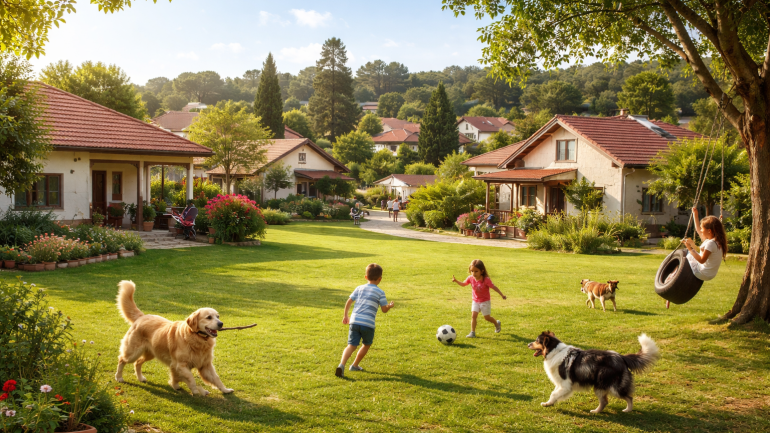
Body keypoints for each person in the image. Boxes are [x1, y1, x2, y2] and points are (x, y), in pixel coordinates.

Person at [337, 264, 394, 378]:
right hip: (368, 324)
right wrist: (389, 306)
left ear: (365, 277)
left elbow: (349, 301)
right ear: (380, 279)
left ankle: (341, 365)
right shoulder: (380, 292)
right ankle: (355, 365)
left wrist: (346, 316)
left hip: (354, 321)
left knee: (351, 346)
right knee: (366, 344)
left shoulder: (359, 288)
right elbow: (384, 310)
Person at [666, 207, 727, 308]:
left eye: (703, 229)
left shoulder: (711, 244)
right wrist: (695, 214)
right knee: (685, 258)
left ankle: (669, 285)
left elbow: (702, 260)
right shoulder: (716, 240)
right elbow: (698, 229)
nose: (701, 231)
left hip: (703, 272)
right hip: (709, 273)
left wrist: (690, 247)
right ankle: (671, 287)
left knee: (683, 257)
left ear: (710, 231)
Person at [451, 259, 507, 338]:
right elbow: (464, 284)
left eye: (476, 271)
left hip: (485, 301)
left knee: (487, 318)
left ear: (482, 271)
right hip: (475, 301)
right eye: (472, 271)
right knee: (473, 316)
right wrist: (456, 281)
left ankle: (496, 323)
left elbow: (494, 287)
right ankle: (472, 332)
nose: (473, 273)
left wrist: (502, 295)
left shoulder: (486, 280)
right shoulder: (470, 278)